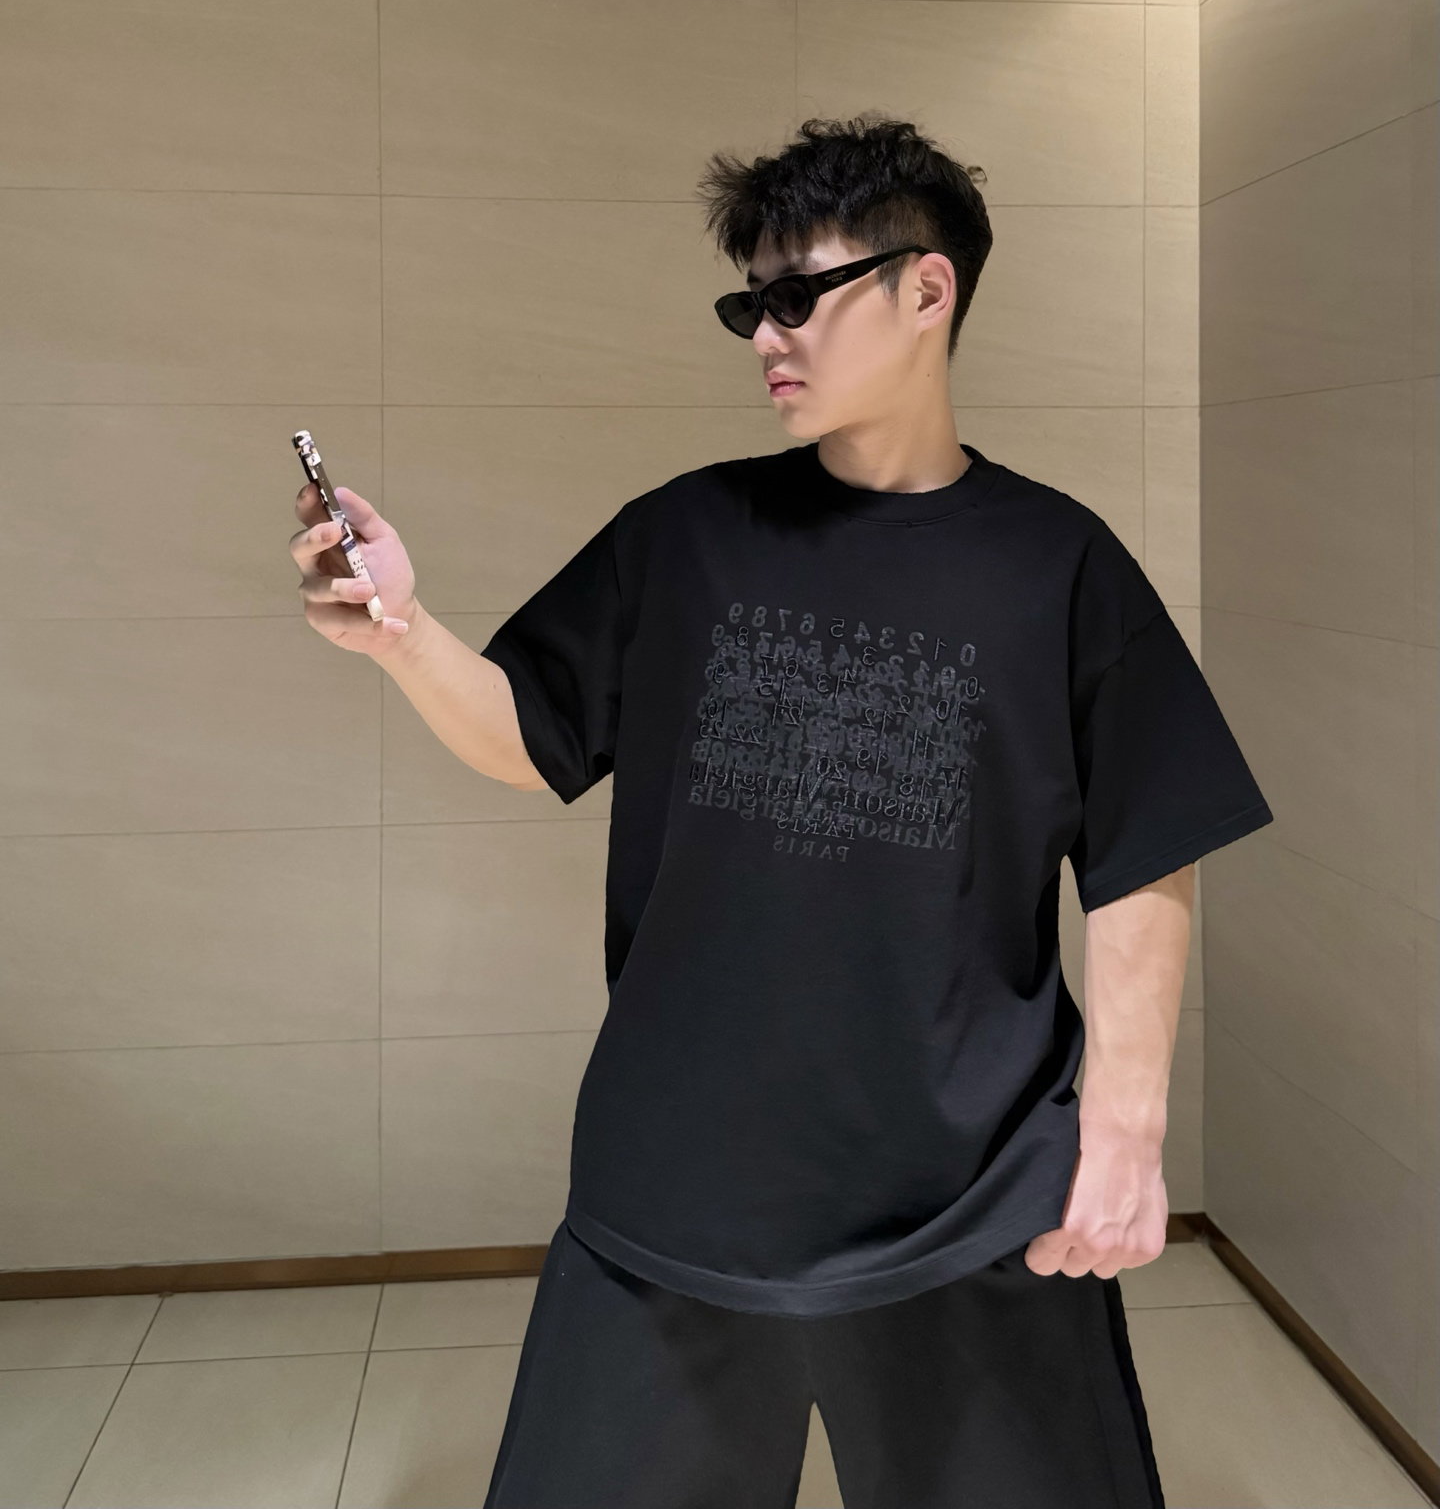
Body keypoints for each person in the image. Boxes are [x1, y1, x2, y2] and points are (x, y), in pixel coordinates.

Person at [292, 114, 1274, 1508]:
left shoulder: (1060, 564)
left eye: (799, 296)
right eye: (749, 304)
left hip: (971, 1191)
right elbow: (531, 731)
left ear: (926, 290)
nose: (766, 335)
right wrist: (401, 634)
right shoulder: (683, 535)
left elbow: (1145, 850)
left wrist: (1122, 1139)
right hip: (675, 1182)